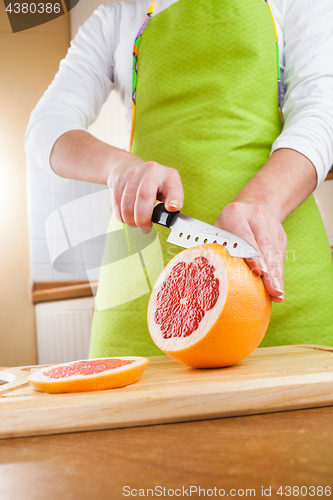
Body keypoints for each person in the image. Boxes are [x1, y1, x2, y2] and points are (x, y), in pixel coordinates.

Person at [25, 0, 333, 357]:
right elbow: (46, 124)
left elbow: (322, 110)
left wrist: (262, 202)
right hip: (141, 287)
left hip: (279, 276)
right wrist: (118, 167)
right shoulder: (116, 15)